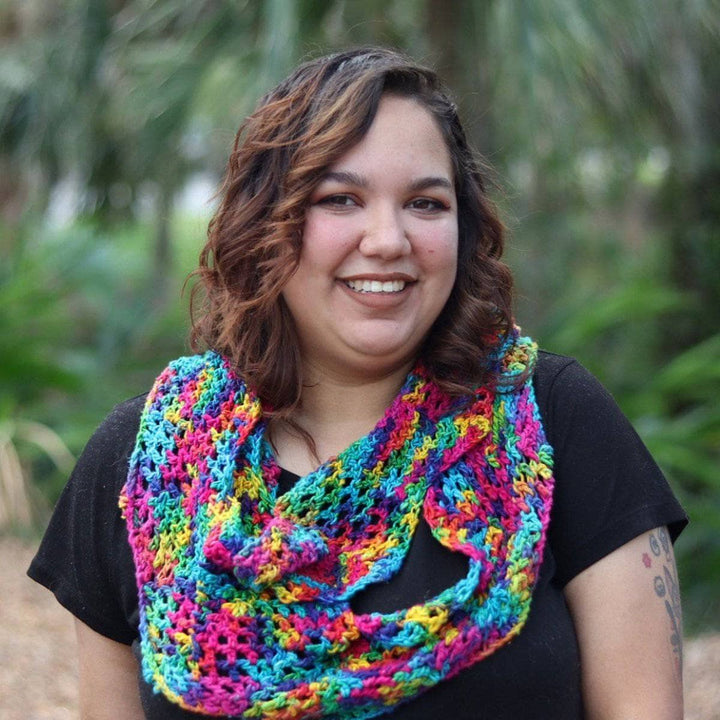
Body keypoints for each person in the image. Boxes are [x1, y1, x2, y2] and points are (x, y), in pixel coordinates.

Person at [29, 47, 687, 719]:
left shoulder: (556, 421)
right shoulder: (145, 463)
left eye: (425, 203)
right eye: (340, 199)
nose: (387, 239)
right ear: (264, 222)